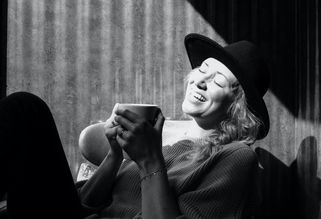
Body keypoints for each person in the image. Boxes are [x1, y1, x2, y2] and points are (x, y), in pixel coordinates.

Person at [0, 33, 270, 219]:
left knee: (25, 110)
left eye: (218, 81)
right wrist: (114, 155)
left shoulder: (234, 158)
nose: (201, 81)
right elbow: (87, 204)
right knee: (24, 109)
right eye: (202, 69)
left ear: (237, 107)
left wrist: (150, 161)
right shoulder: (157, 133)